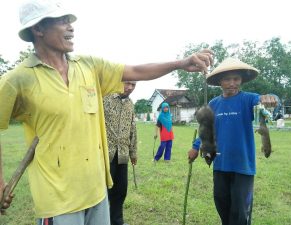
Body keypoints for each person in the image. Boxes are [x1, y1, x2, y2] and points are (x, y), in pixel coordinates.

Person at [0, 0, 213, 224]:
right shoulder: (18, 79)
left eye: (69, 21)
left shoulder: (89, 66)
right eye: (62, 21)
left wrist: (181, 63)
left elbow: (136, 70)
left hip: (96, 190)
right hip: (58, 199)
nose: (71, 26)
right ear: (38, 29)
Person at [188, 57, 277, 225]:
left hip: (243, 166)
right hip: (220, 163)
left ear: (241, 80)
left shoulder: (249, 99)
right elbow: (206, 129)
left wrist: (272, 98)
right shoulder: (214, 103)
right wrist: (195, 147)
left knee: (240, 211)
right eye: (227, 79)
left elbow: (267, 103)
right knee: (221, 203)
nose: (232, 83)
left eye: (236, 79)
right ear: (220, 82)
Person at [103, 81, 137, 225]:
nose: (129, 87)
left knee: (120, 190)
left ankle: (117, 221)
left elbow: (132, 128)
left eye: (133, 85)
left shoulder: (130, 104)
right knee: (104, 192)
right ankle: (102, 221)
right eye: (127, 83)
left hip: (122, 155)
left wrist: (133, 152)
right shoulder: (105, 99)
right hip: (105, 154)